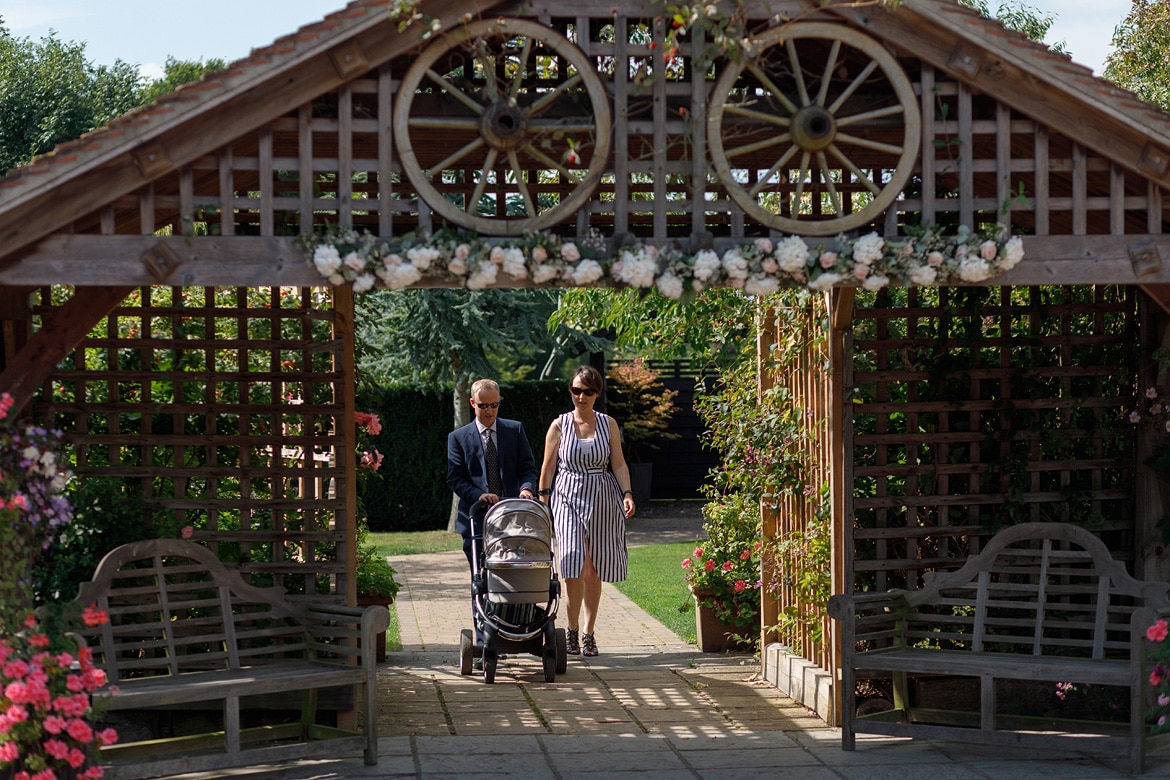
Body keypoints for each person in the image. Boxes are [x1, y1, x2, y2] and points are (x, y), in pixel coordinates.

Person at [537, 365, 635, 658]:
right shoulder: (559, 425)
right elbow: (548, 466)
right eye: (576, 390)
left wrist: (627, 493)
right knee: (573, 563)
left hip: (603, 496)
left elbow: (618, 463)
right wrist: (544, 499)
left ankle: (589, 633)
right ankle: (570, 629)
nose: (581, 396)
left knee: (594, 567)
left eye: (587, 391)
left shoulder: (608, 424)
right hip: (567, 494)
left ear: (596, 393)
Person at [446, 378, 539, 662]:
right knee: (481, 580)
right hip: (477, 520)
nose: (489, 411)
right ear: (473, 403)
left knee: (517, 576)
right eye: (484, 405)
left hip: (512, 520)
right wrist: (480, 494)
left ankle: (519, 630)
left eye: (494, 405)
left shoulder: (514, 430)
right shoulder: (459, 438)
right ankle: (485, 640)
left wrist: (526, 488)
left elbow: (528, 468)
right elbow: (455, 478)